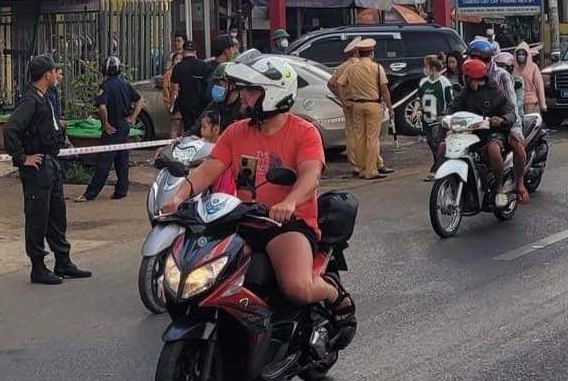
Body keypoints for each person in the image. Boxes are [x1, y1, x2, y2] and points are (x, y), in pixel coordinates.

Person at [161, 58, 355, 343]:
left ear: (273, 93)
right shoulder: (236, 131)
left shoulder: (304, 132)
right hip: (241, 220)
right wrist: (178, 197)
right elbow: (208, 169)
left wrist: (289, 202)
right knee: (206, 275)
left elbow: (310, 176)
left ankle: (332, 292)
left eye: (251, 90)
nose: (243, 96)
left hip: (286, 224)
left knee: (297, 288)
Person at [3, 55, 92, 285]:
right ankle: (38, 267)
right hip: (38, 166)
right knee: (37, 217)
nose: (56, 74)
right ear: (46, 75)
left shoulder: (45, 97)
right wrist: (22, 158)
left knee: (56, 215)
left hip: (51, 163)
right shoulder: (30, 100)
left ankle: (63, 261)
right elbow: (11, 130)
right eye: (54, 71)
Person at [448, 58, 517, 207]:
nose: (466, 80)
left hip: (493, 134)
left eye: (468, 77)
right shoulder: (465, 92)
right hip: (471, 134)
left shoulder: (495, 91)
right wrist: (443, 117)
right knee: (444, 146)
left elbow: (511, 111)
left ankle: (499, 188)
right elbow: (453, 107)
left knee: (494, 150)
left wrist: (502, 119)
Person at [469, 39, 529, 203]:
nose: (476, 61)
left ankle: (518, 184)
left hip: (502, 124)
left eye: (480, 58)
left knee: (516, 146)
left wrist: (514, 128)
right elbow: (459, 102)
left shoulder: (501, 76)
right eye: (473, 57)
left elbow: (512, 107)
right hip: (477, 124)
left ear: (489, 59)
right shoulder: (468, 75)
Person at [78, 56, 144, 202]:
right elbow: (140, 99)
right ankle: (121, 190)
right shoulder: (125, 85)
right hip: (124, 126)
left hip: (112, 128)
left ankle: (90, 194)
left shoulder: (105, 86)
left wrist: (105, 123)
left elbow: (102, 107)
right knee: (122, 160)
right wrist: (133, 117)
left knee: (104, 162)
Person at [336, 38, 394, 180]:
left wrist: (344, 101)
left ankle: (361, 168)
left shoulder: (351, 68)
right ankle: (371, 170)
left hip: (357, 106)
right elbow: (384, 90)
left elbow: (339, 84)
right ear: (371, 53)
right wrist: (390, 107)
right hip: (373, 105)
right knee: (372, 139)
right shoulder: (377, 68)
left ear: (359, 53)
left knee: (359, 138)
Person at [418, 55, 454, 181]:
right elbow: (419, 98)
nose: (425, 69)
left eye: (426, 67)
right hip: (426, 119)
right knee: (431, 144)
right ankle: (440, 166)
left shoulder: (444, 83)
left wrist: (445, 116)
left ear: (432, 68)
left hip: (438, 119)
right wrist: (416, 110)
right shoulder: (423, 82)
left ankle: (437, 169)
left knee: (437, 144)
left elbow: (450, 102)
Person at [170, 40, 210, 134]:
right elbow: (208, 85)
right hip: (201, 104)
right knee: (201, 129)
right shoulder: (204, 66)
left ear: (183, 51)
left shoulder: (178, 67)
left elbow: (175, 90)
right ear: (195, 52)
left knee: (187, 130)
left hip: (185, 104)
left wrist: (172, 107)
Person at [162, 33, 186, 136]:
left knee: (184, 130)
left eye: (179, 41)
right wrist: (169, 104)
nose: (176, 43)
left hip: (186, 104)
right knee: (175, 128)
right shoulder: (169, 73)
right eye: (175, 41)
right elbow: (166, 89)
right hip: (175, 103)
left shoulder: (186, 68)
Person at [513, 43, 547, 116]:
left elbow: (539, 86)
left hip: (532, 103)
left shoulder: (534, 67)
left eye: (523, 54)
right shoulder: (515, 68)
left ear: (527, 55)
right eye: (519, 54)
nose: (521, 56)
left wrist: (543, 104)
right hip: (518, 103)